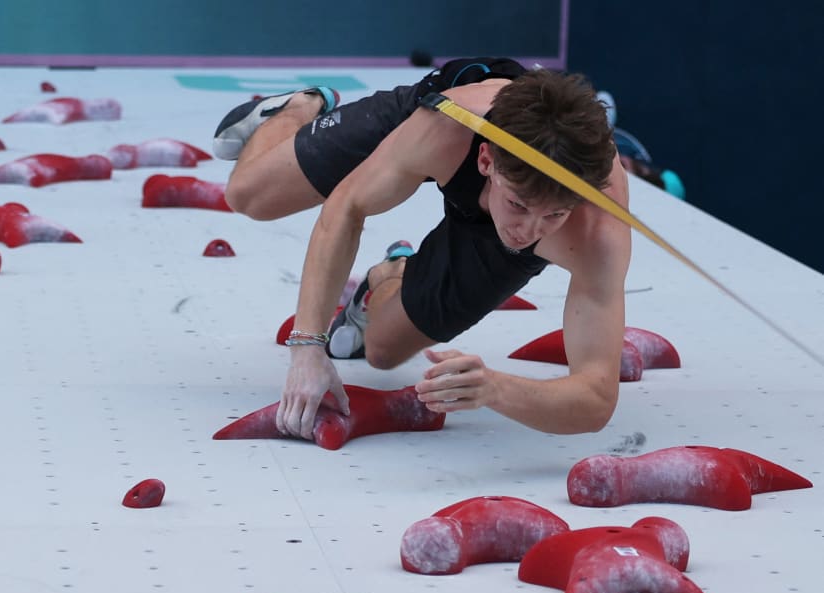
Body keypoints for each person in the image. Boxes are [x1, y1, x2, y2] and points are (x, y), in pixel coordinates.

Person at [212, 57, 631, 440]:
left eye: (553, 216)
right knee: (249, 196)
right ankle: (297, 108)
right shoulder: (445, 127)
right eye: (518, 206)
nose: (528, 231)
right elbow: (348, 206)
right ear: (486, 162)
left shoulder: (596, 232)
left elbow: (596, 400)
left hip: (501, 193)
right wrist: (307, 347)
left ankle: (390, 273)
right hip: (449, 131)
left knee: (381, 351)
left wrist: (496, 388)